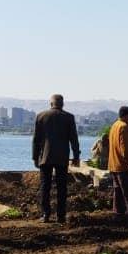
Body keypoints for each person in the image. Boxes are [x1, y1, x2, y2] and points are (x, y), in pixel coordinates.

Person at [32, 94, 80, 223]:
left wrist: (35, 157)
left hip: (45, 157)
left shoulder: (41, 116)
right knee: (62, 187)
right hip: (62, 157)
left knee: (45, 186)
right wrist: (76, 156)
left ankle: (45, 215)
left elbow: (36, 140)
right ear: (62, 104)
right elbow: (74, 139)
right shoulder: (69, 117)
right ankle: (61, 216)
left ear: (51, 103)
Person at [107, 106, 128, 217]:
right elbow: (124, 148)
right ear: (126, 115)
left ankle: (118, 214)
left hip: (114, 165)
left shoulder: (114, 126)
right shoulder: (124, 127)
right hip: (123, 167)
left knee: (118, 192)